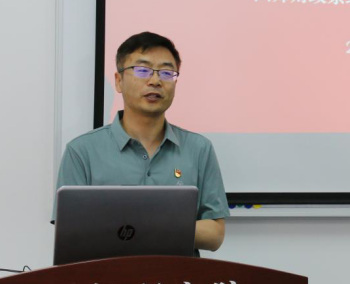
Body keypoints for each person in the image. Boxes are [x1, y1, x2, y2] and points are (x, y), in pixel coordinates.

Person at [52, 31, 228, 253]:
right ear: (119, 81)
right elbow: (71, 233)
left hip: (177, 275)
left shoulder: (199, 148)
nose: (155, 81)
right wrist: (161, 226)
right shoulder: (81, 152)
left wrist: (138, 227)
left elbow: (214, 234)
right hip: (109, 276)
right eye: (142, 70)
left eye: (166, 73)